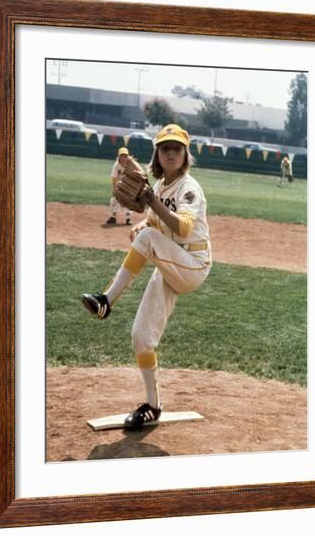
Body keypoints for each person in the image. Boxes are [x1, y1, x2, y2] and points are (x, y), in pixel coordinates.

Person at [82, 124, 212, 429]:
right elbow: (153, 222)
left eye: (176, 148)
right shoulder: (159, 186)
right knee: (141, 338)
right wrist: (142, 224)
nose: (170, 152)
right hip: (172, 266)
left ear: (184, 155)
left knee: (149, 241)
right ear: (157, 153)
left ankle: (106, 302)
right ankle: (154, 406)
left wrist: (149, 215)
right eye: (165, 147)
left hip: (194, 263)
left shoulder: (188, 187)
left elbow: (181, 228)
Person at [106, 147, 132, 225]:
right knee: (114, 199)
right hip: (119, 184)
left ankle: (128, 219)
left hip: (129, 184)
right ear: (119, 157)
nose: (124, 158)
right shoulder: (116, 166)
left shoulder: (131, 164)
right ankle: (113, 217)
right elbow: (114, 179)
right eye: (122, 156)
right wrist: (114, 189)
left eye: (125, 156)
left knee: (129, 200)